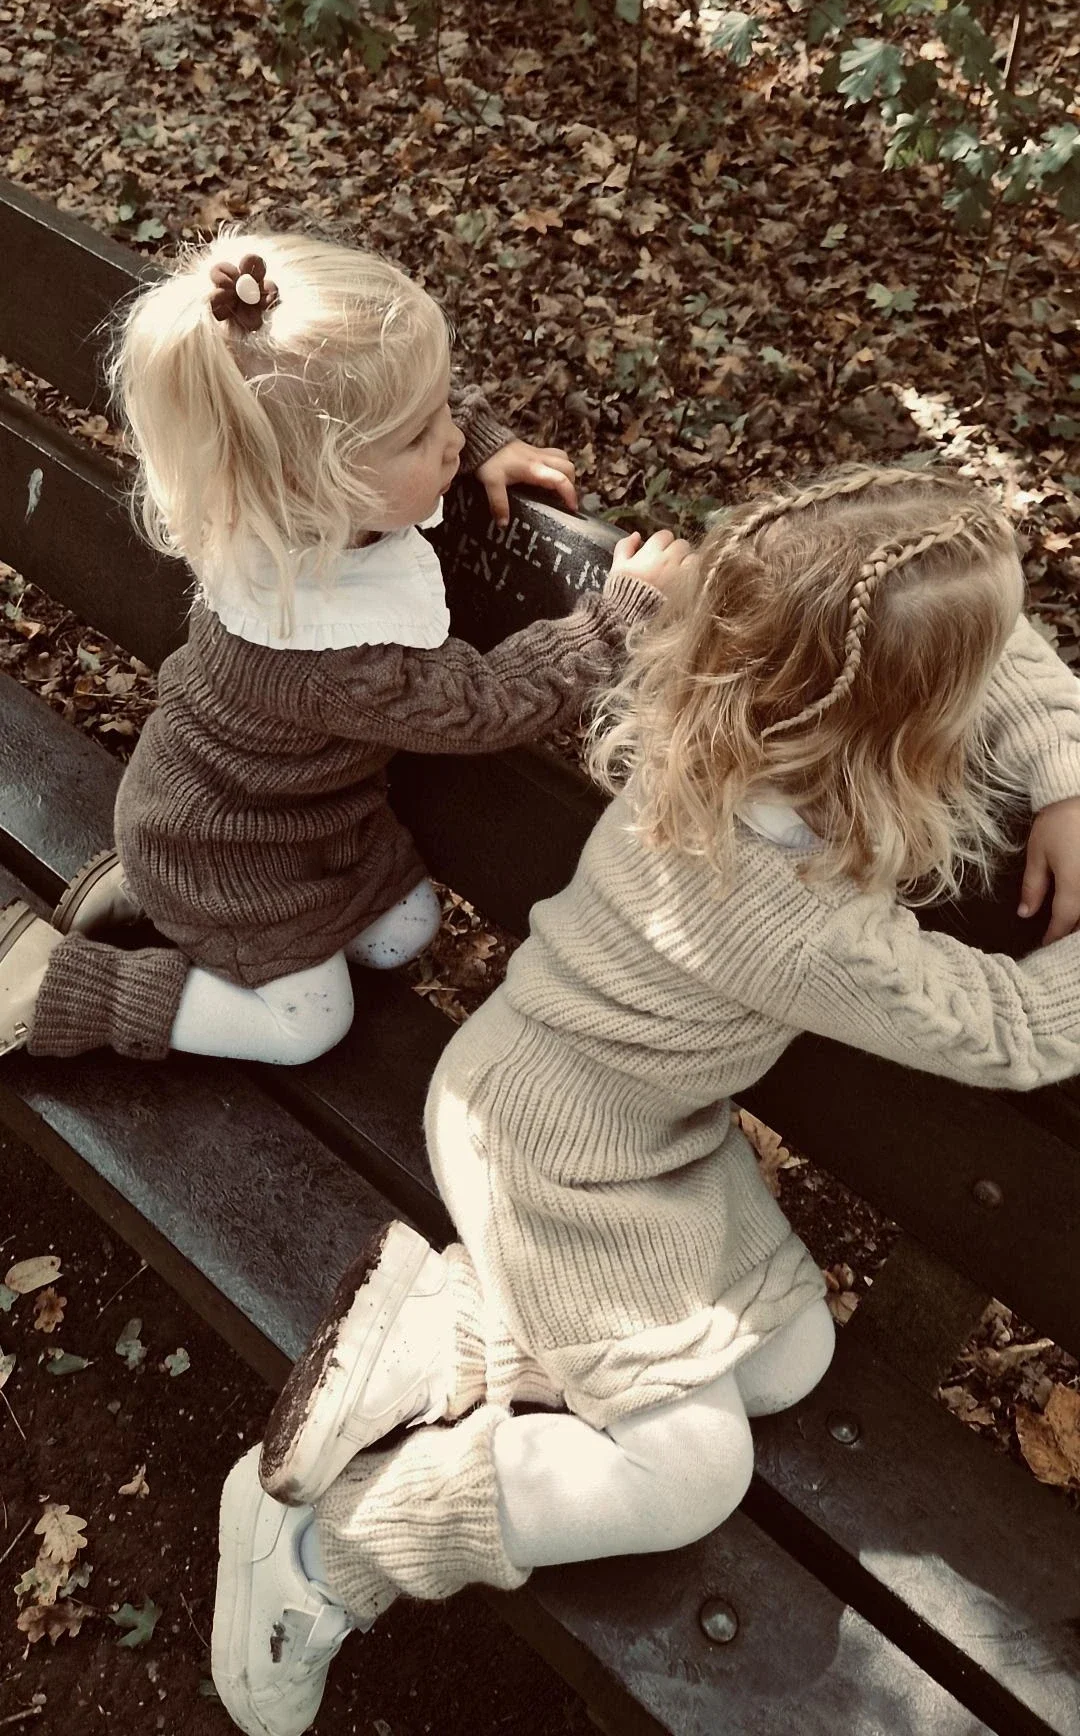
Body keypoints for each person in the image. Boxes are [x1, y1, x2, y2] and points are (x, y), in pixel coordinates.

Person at [210, 462, 1080, 1736]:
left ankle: (445, 1338)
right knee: (692, 1472)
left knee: (789, 1359)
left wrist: (1063, 774)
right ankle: (332, 1549)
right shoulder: (802, 920)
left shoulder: (736, 702)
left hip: (627, 1128)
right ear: (907, 725)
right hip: (548, 1157)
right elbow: (1012, 1029)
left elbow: (988, 644)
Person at [0, 236, 687, 1067]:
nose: (447, 441)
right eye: (421, 435)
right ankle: (63, 985)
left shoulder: (276, 499)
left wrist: (476, 439)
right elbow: (486, 703)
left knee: (406, 930)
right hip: (232, 857)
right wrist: (618, 618)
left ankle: (146, 883)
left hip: (275, 821)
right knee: (308, 1027)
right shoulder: (331, 652)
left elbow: (368, 407)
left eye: (442, 416)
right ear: (321, 480)